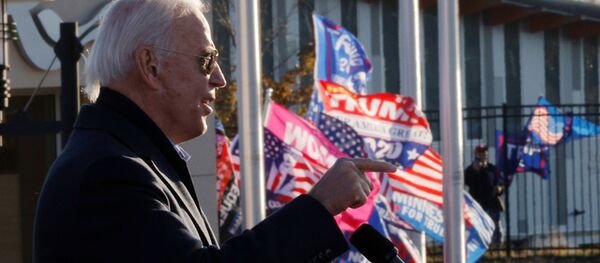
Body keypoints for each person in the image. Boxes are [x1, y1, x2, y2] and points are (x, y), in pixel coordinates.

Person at [32, 0, 397, 262]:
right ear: (150, 65)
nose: (220, 79)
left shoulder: (124, 157)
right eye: (206, 59)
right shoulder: (110, 170)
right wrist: (320, 206)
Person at [465, 144, 504, 245]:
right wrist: (475, 171)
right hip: (478, 205)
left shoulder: (492, 168)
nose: (484, 153)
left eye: (485, 151)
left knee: (496, 229)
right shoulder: (470, 169)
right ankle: (482, 248)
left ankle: (497, 248)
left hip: (492, 204)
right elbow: (467, 182)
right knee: (479, 230)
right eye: (482, 152)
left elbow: (500, 184)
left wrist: (499, 188)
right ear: (477, 154)